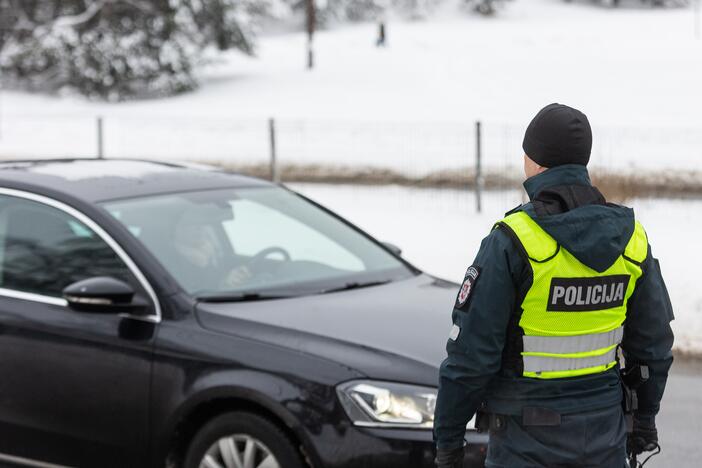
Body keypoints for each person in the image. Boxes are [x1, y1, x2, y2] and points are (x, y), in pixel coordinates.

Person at [433, 103, 674, 467]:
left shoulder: (513, 241)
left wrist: (448, 443)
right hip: (604, 437)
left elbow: (471, 358)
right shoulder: (631, 240)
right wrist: (644, 420)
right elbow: (653, 346)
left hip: (523, 443)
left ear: (535, 161)